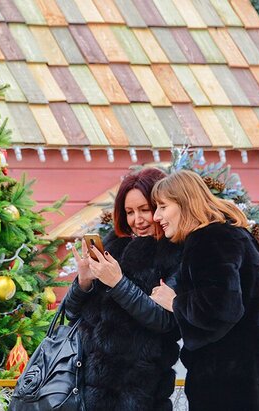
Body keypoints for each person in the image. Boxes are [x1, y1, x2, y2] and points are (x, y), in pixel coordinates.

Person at [149, 170, 259, 411]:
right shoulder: (232, 234)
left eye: (163, 206)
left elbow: (222, 307)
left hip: (231, 387)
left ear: (185, 202)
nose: (156, 216)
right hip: (256, 381)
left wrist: (175, 302)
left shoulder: (208, 238)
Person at [62, 167, 182, 411]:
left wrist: (118, 283)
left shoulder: (175, 253)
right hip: (85, 386)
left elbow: (165, 321)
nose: (137, 220)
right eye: (129, 212)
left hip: (140, 390)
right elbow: (71, 314)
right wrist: (83, 282)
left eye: (144, 210)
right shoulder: (113, 245)